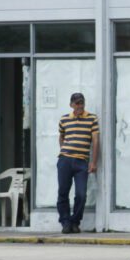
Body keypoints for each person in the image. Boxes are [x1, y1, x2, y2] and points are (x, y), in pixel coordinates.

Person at [57, 93, 99, 234]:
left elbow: (95, 141)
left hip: (82, 161)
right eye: (77, 103)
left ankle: (75, 221)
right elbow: (61, 137)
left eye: (82, 103)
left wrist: (93, 162)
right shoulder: (64, 119)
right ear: (71, 105)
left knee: (81, 193)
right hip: (65, 160)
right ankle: (65, 222)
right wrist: (64, 151)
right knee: (63, 192)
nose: (80, 106)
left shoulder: (92, 119)